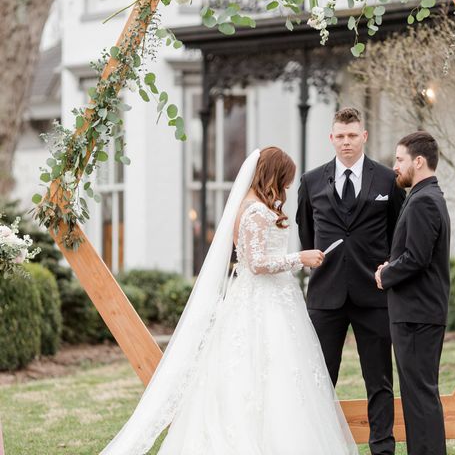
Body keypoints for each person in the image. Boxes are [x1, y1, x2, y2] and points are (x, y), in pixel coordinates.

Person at [102, 147, 357, 455]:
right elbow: (256, 264)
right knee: (263, 371)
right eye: (285, 180)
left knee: (279, 376)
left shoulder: (255, 206)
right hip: (263, 303)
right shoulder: (254, 212)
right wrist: (298, 258)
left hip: (271, 300)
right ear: (272, 175)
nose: (287, 188)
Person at [297, 107, 405, 455]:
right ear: (332, 138)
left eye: (352, 135)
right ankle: (318, 446)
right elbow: (307, 233)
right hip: (325, 296)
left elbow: (397, 232)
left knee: (379, 380)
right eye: (340, 136)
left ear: (364, 137)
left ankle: (383, 448)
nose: (346, 142)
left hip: (373, 294)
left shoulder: (387, 180)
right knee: (319, 380)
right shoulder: (311, 181)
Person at [375, 132, 451, 455]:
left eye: (400, 160)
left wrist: (385, 274)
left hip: (417, 316)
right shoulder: (425, 197)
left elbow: (417, 259)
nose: (395, 167)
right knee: (418, 397)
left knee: (420, 399)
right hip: (417, 314)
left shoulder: (423, 202)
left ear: (418, 161)